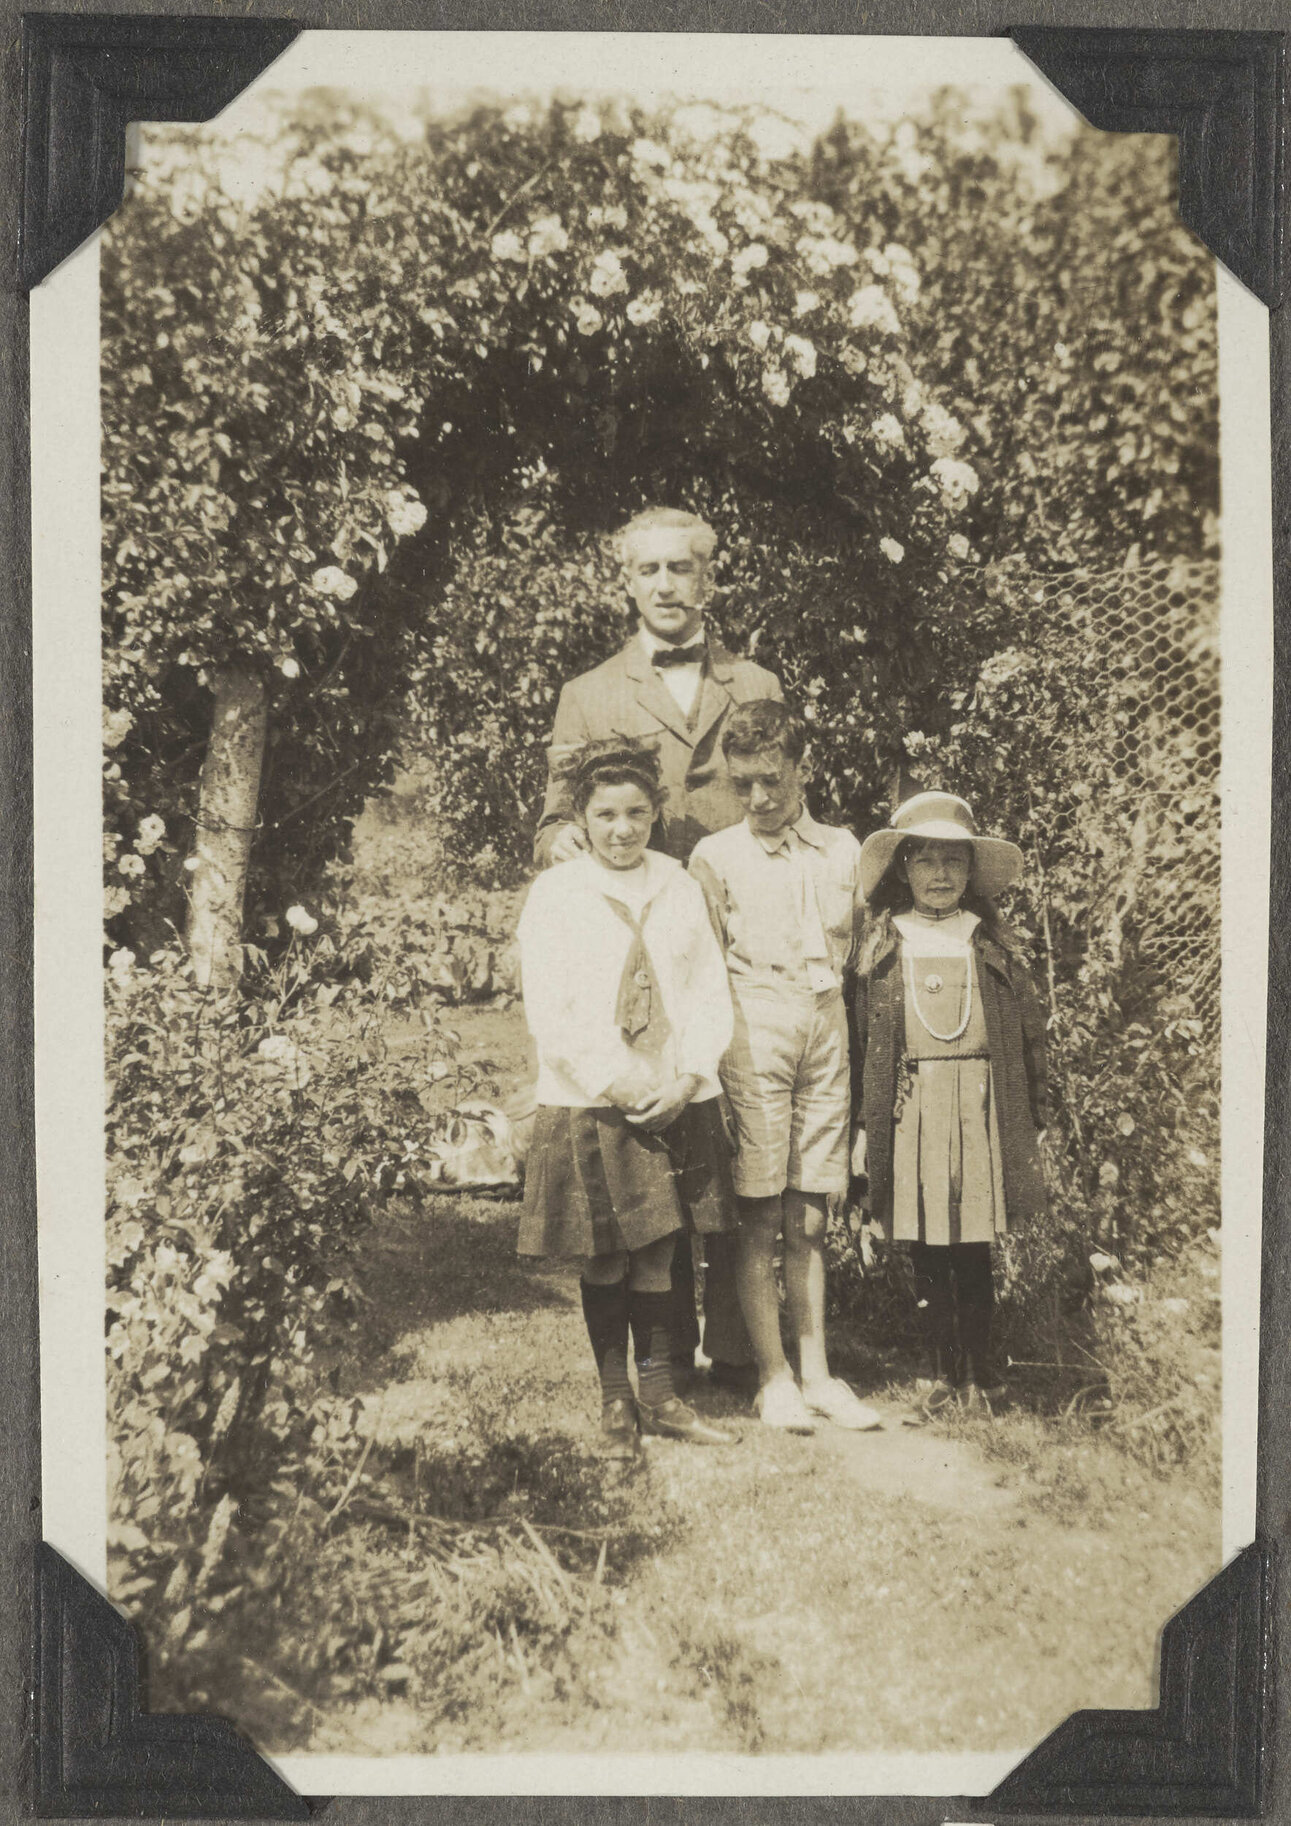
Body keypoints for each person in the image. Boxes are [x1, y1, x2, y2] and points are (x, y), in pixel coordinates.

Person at [534, 507, 781, 1394]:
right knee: (647, 1133)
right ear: (626, 582)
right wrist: (563, 838)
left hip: (736, 925)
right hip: (639, 927)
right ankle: (661, 1365)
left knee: (725, 1117)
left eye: (684, 568)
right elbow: (557, 814)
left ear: (710, 579)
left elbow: (777, 787)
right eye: (650, 572)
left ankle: (740, 1339)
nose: (667, 586)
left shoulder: (753, 679)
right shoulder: (590, 691)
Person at [517, 739, 737, 1455]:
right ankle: (616, 1404)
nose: (621, 829)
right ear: (580, 817)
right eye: (605, 814)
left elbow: (707, 990)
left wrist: (687, 1079)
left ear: (655, 814)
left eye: (636, 813)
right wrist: (615, 1081)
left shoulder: (678, 885)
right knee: (606, 1253)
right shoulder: (556, 894)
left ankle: (662, 1395)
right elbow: (550, 1008)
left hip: (672, 1095)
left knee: (658, 1252)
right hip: (592, 1097)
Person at [689, 700, 883, 1434]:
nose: (759, 799)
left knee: (810, 1213)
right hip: (751, 1022)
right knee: (759, 1212)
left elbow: (860, 958)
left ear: (803, 766)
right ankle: (771, 1379)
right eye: (742, 785)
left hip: (824, 1022)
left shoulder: (844, 849)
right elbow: (702, 971)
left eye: (771, 780)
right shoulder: (715, 857)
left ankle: (818, 1373)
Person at [850, 791, 1048, 1415]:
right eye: (926, 860)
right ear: (903, 867)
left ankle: (980, 1374)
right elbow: (863, 1046)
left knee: (973, 1246)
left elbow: (1027, 1036)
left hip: (981, 1104)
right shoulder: (883, 946)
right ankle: (939, 1369)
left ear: (971, 872)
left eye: (953, 862)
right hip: (915, 1108)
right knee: (928, 1242)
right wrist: (864, 1124)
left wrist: (1032, 1116)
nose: (940, 875)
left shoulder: (988, 943)